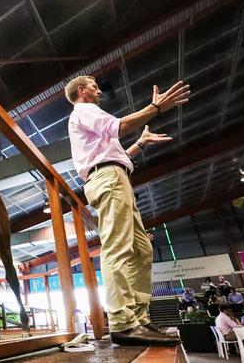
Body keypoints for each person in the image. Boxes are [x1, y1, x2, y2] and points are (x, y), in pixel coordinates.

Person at [64, 75, 189, 346]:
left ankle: (138, 318)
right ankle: (122, 321)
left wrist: (141, 143)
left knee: (142, 249)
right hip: (108, 178)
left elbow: (115, 155)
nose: (99, 91)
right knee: (117, 247)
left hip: (114, 175)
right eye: (95, 86)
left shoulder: (88, 119)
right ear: (82, 91)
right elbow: (118, 128)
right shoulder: (85, 110)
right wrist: (156, 109)